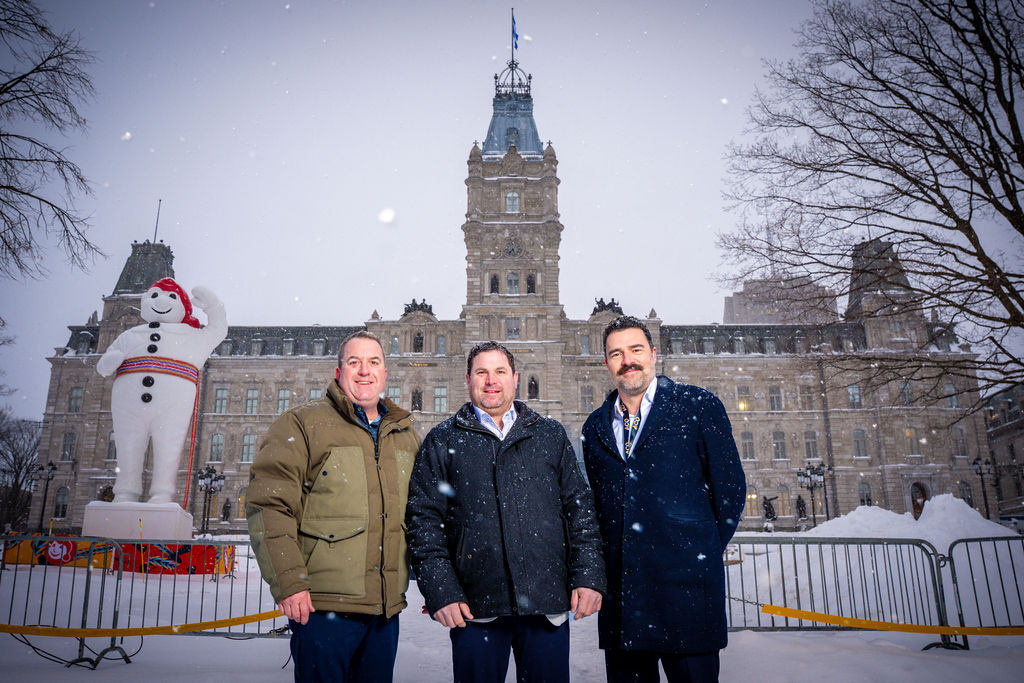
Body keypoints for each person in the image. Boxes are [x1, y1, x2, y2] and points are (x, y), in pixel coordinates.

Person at [406, 341, 606, 683]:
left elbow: (580, 511)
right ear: (468, 379)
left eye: (499, 372)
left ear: (515, 378)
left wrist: (588, 576)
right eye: (481, 372)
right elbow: (423, 524)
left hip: (546, 605)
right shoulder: (442, 441)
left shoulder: (550, 434)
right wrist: (441, 591)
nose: (491, 381)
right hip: (474, 607)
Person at [246, 331, 421, 682]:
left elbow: (422, 519)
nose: (364, 371)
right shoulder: (302, 423)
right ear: (338, 372)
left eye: (373, 362)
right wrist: (290, 582)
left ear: (385, 373)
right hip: (323, 609)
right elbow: (270, 505)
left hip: (383, 613)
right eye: (353, 362)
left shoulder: (406, 435)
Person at [582, 316, 746, 683]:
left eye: (636, 349)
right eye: (616, 353)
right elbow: (599, 508)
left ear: (654, 354)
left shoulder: (698, 406)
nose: (628, 360)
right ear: (606, 363)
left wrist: (692, 553)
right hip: (624, 603)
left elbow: (730, 492)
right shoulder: (594, 426)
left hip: (686, 597)